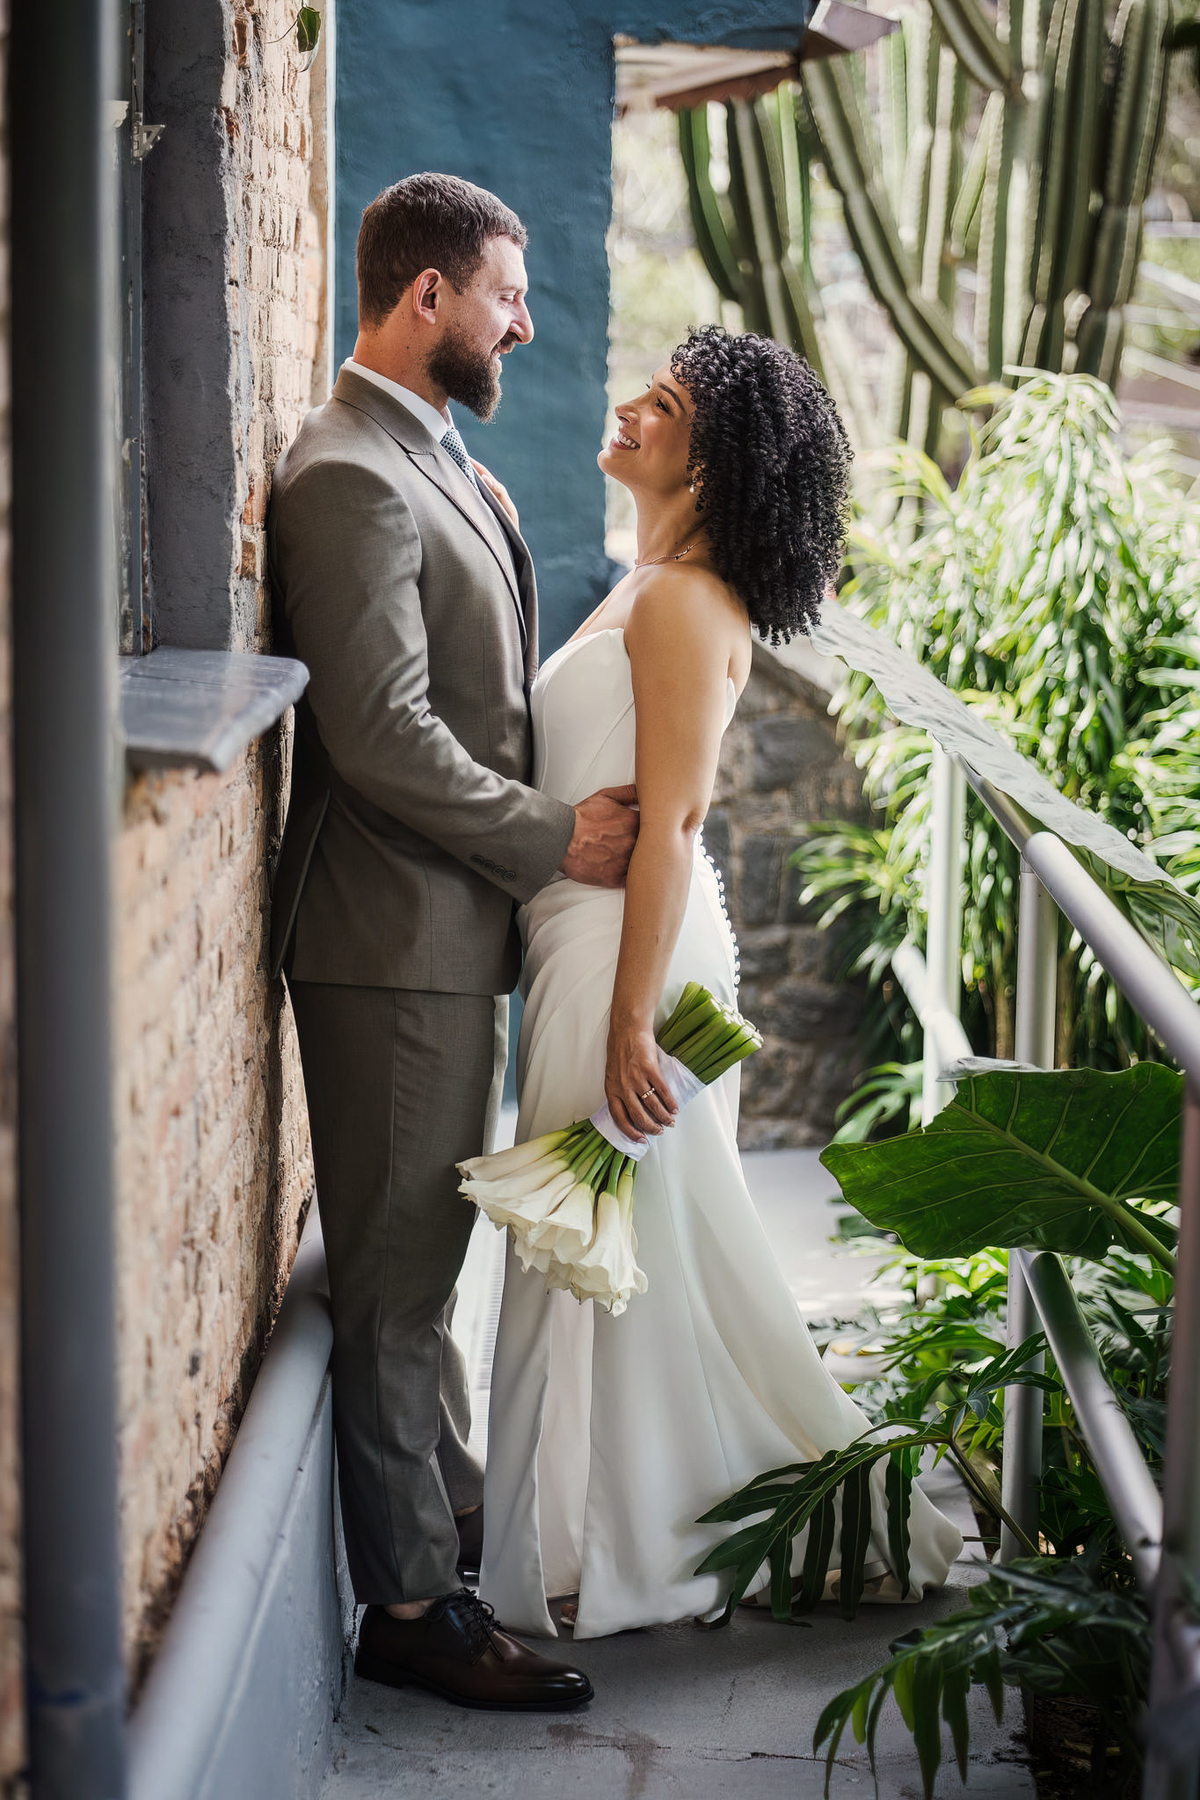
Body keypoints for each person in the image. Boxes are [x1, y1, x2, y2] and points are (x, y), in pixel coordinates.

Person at [479, 326, 964, 1638]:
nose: (631, 406)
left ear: (719, 460)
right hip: (589, 942)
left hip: (627, 958)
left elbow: (678, 825)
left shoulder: (688, 604)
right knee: (629, 1262)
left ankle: (562, 1556)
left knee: (587, 1256)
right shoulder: (648, 584)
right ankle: (586, 1532)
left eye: (669, 404)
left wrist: (633, 1021)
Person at [268, 173, 639, 1709]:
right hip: (386, 941)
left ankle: (455, 1515)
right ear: (426, 295)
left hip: (438, 936)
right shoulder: (349, 471)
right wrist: (558, 840)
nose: (523, 322)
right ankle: (416, 1609)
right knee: (403, 1288)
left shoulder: (438, 460)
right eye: (503, 293)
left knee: (425, 1269)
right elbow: (381, 737)